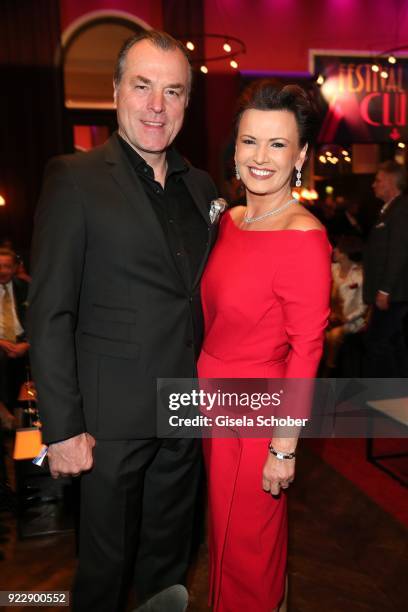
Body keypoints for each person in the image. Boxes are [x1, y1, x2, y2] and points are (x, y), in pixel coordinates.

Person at [28, 30, 217, 612]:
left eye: (173, 91)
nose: (157, 105)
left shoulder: (203, 188)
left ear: (187, 102)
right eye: (143, 86)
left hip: (184, 415)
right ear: (115, 92)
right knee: (105, 575)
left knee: (169, 566)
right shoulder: (76, 178)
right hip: (107, 427)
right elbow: (50, 310)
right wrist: (60, 428)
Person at [197, 81, 331, 612]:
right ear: (234, 148)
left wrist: (283, 447)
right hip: (212, 405)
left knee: (248, 550)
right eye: (250, 141)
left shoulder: (303, 237)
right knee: (223, 542)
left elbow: (306, 352)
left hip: (255, 420)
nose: (260, 157)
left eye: (277, 145)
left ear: (300, 155)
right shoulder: (229, 220)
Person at [363, 161, 408, 377]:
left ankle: (386, 394)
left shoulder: (401, 209)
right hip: (392, 293)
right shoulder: (390, 209)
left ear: (390, 182)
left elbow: (398, 252)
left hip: (394, 293)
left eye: (378, 180)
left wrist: (385, 290)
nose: (374, 185)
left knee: (377, 344)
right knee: (392, 343)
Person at [324, 235, 367, 374]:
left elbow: (363, 306)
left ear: (347, 253)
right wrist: (329, 314)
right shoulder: (330, 269)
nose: (334, 250)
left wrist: (344, 319)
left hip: (353, 320)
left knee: (334, 336)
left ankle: (328, 371)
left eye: (339, 249)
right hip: (329, 316)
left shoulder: (360, 276)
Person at [0, 247, 30, 424]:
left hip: (23, 341)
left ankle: (25, 417)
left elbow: (40, 319)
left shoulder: (26, 287)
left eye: (7, 266)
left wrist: (28, 344)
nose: (2, 271)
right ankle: (5, 411)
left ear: (15, 267)